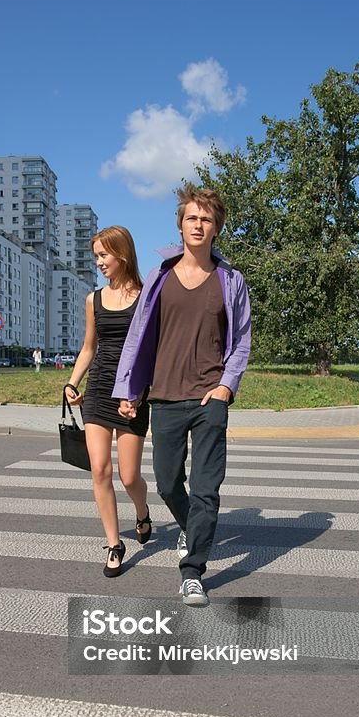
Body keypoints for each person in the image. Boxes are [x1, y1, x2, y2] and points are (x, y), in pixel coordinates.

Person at [114, 185, 251, 606]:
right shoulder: (160, 277)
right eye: (192, 217)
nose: (198, 224)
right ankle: (193, 531)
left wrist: (226, 386)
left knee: (207, 489)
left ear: (216, 229)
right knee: (169, 481)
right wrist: (130, 389)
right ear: (180, 224)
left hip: (211, 398)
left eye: (206, 219)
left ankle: (192, 570)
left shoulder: (230, 281)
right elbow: (139, 337)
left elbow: (242, 339)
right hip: (167, 398)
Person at [65, 225, 151, 577]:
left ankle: (142, 514)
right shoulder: (93, 299)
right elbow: (89, 348)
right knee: (100, 469)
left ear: (123, 254)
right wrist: (72, 382)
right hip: (99, 390)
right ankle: (114, 543)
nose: (98, 262)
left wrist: (139, 395)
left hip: (131, 393)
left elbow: (151, 353)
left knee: (129, 477)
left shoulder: (147, 297)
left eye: (103, 255)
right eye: (96, 256)